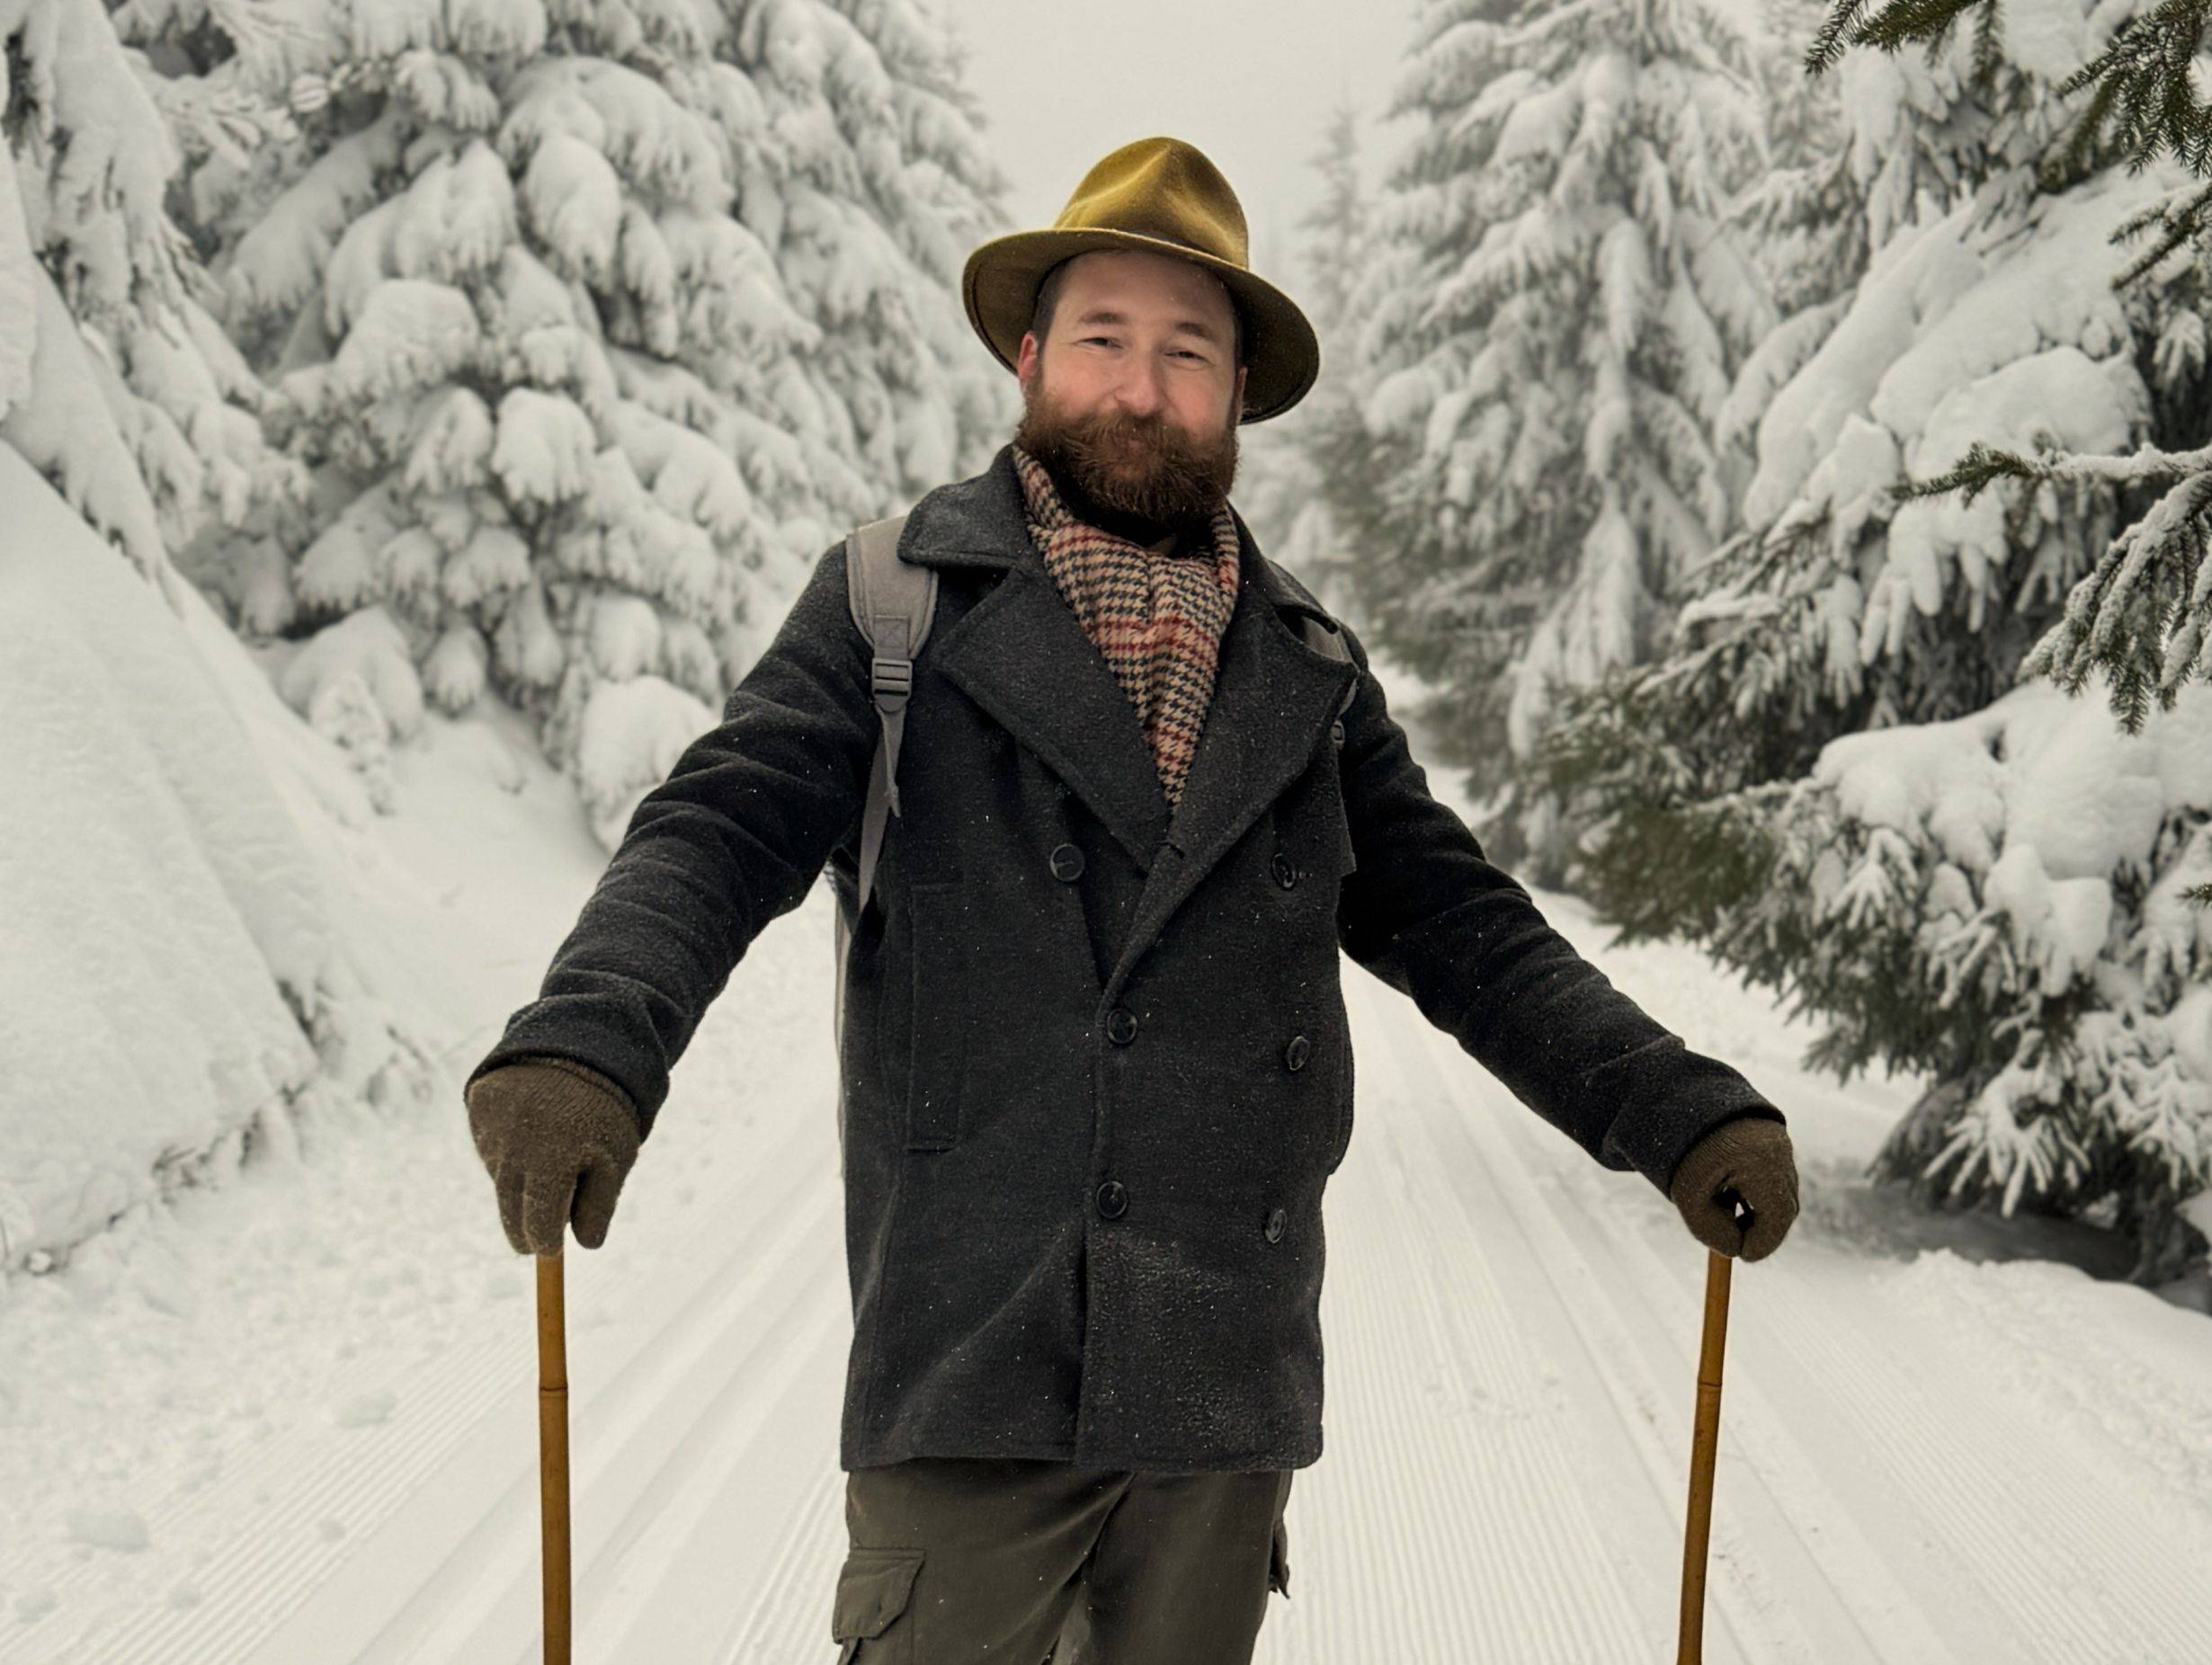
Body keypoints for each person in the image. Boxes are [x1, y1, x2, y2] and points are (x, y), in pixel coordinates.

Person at [464, 135, 1799, 1664]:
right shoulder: (894, 602)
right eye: (1103, 338)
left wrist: (1676, 1108)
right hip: (969, 1357)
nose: (1141, 385)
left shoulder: (1309, 668)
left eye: (1187, 353)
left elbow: (1463, 924)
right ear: (1031, 356)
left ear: (1238, 398)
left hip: (1220, 1376)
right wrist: (588, 1040)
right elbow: (714, 827)